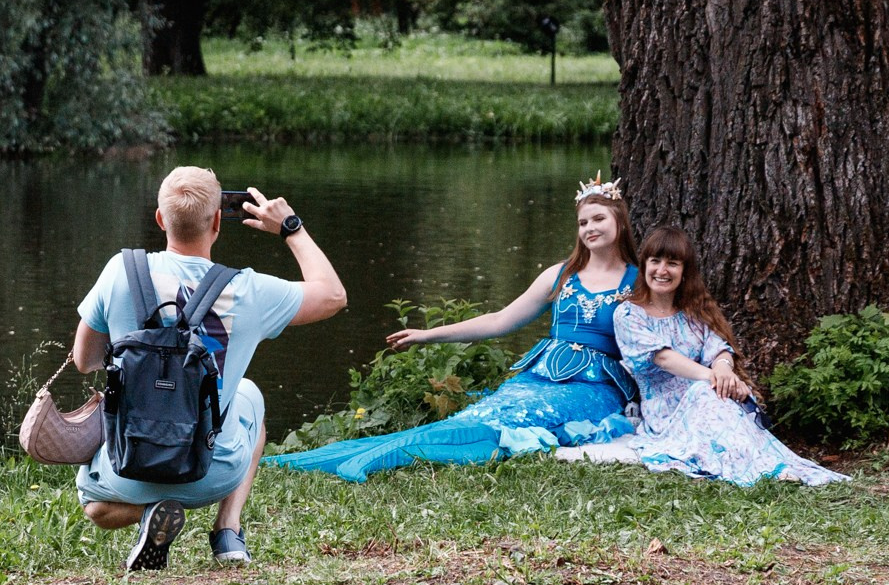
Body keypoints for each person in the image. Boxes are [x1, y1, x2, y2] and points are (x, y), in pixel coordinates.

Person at [269, 180, 642, 483]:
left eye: (598, 220)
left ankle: (391, 456)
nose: (589, 229)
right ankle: (351, 455)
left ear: (619, 222)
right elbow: (500, 321)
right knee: (485, 414)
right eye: (582, 223)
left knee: (523, 420)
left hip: (595, 388)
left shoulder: (639, 284)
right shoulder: (561, 276)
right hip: (540, 377)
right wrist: (427, 335)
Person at [72, 166, 348, 570]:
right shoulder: (247, 290)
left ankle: (152, 510)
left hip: (127, 468)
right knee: (248, 393)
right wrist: (291, 227)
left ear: (160, 219)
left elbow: (85, 361)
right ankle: (227, 529)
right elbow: (334, 295)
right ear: (219, 220)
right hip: (211, 473)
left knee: (95, 505)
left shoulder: (119, 271)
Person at [559, 225, 845, 487]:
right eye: (655, 261)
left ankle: (768, 464)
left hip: (710, 393)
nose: (662, 270)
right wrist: (714, 376)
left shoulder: (694, 312)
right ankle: (755, 471)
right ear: (644, 265)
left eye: (672, 263)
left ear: (685, 271)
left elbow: (719, 347)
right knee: (706, 394)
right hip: (666, 411)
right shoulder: (629, 314)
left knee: (713, 398)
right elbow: (663, 358)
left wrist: (723, 369)